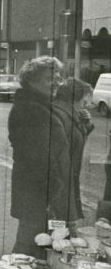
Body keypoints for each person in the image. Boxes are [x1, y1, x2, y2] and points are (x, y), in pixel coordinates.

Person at [8, 56, 73, 258]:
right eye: (49, 78)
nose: (56, 82)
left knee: (39, 241)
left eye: (58, 77)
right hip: (38, 190)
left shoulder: (41, 104)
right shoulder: (31, 109)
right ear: (32, 81)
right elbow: (36, 158)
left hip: (42, 189)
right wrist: (52, 192)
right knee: (32, 242)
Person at [52, 77, 94, 225]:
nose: (86, 106)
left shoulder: (69, 113)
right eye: (83, 102)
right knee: (59, 230)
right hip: (59, 185)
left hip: (66, 180)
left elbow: (75, 141)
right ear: (73, 98)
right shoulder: (59, 115)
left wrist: (86, 124)